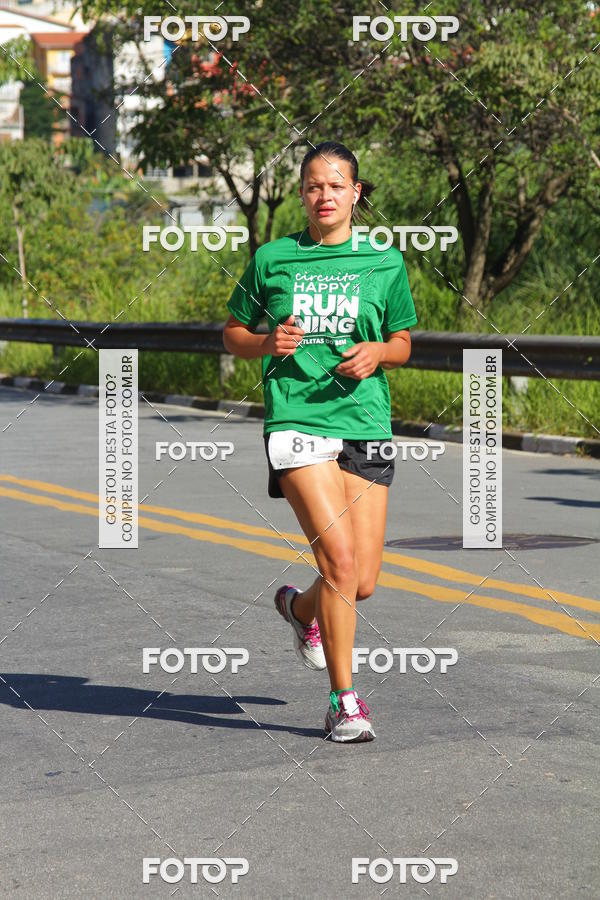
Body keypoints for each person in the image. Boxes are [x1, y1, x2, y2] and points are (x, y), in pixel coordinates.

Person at [223, 141, 417, 742]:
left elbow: (404, 342)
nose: (324, 195)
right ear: (302, 194)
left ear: (357, 194)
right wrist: (265, 344)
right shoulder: (273, 259)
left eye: (337, 186)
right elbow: (232, 333)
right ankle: (344, 700)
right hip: (296, 420)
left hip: (366, 423)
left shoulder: (384, 263)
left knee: (361, 581)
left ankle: (300, 610)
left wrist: (379, 352)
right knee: (337, 562)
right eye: (313, 186)